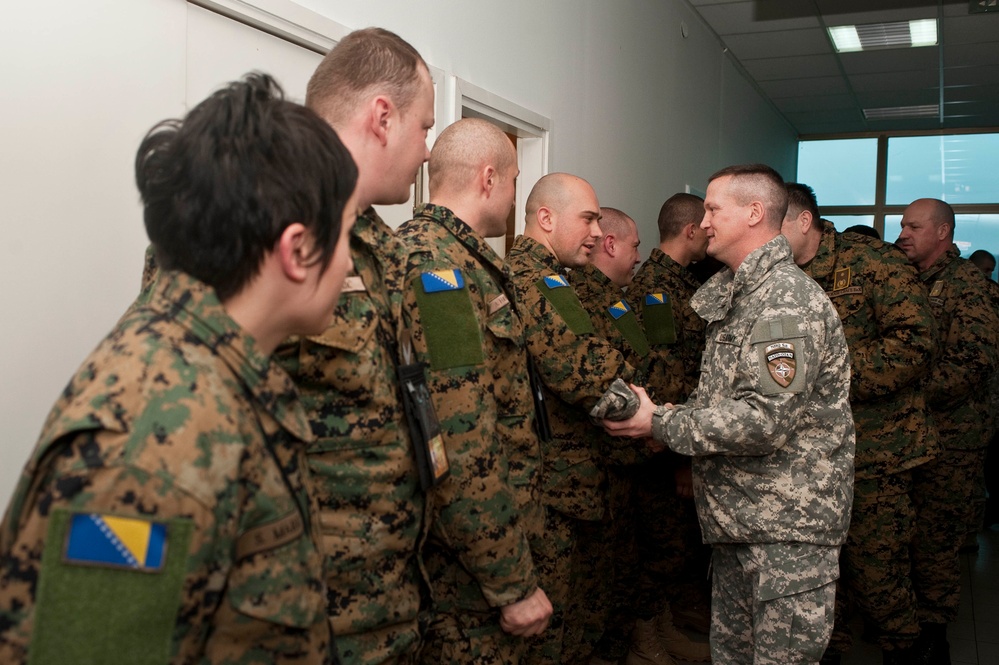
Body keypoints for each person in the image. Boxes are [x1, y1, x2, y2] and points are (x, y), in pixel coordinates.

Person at [0, 73, 358, 664]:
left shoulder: (217, 377)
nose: (348, 264)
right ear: (297, 251)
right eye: (344, 235)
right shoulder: (153, 447)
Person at [604, 164, 855, 664]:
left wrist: (661, 422)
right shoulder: (740, 295)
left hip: (785, 534)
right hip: (742, 524)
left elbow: (765, 420)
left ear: (755, 213)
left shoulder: (785, 302)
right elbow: (723, 399)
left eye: (714, 208)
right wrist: (665, 419)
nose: (704, 220)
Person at [277, 27, 436, 664]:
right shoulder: (258, 215)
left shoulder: (381, 243)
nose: (427, 151)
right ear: (382, 116)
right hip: (304, 609)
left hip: (390, 597)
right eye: (424, 127)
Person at [394, 117, 552, 664]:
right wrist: (510, 580)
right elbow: (459, 435)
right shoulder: (440, 270)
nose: (513, 199)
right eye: (512, 183)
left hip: (475, 551)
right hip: (464, 571)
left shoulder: (460, 259)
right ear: (489, 178)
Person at [781, 183, 939, 664]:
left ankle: (907, 651)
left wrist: (832, 376)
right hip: (809, 457)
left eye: (773, 225)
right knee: (821, 575)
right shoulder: (780, 277)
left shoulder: (872, 264)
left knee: (878, 572)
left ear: (803, 221)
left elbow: (916, 342)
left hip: (877, 452)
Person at [502, 173, 639, 665]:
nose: (595, 232)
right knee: (551, 630)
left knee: (577, 616)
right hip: (550, 482)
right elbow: (577, 364)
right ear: (546, 218)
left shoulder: (559, 278)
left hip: (574, 477)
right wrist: (643, 404)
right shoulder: (532, 278)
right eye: (587, 218)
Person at [895, 198, 999, 662]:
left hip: (951, 438)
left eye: (913, 227)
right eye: (902, 225)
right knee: (903, 533)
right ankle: (903, 625)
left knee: (936, 540)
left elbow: (972, 363)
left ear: (942, 233)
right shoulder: (908, 281)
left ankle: (933, 632)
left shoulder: (968, 286)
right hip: (909, 435)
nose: (902, 234)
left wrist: (904, 395)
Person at [627, 193, 713, 665]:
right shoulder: (657, 290)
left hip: (680, 435)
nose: (712, 231)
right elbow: (665, 379)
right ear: (690, 231)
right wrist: (683, 456)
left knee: (677, 545)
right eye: (707, 223)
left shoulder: (683, 284)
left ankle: (667, 619)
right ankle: (647, 632)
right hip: (664, 445)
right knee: (661, 547)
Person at [569, 207, 654, 665]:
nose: (639, 255)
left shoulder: (618, 298)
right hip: (600, 458)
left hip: (628, 453)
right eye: (635, 244)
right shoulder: (575, 293)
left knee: (622, 569)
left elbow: (637, 364)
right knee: (593, 584)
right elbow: (592, 377)